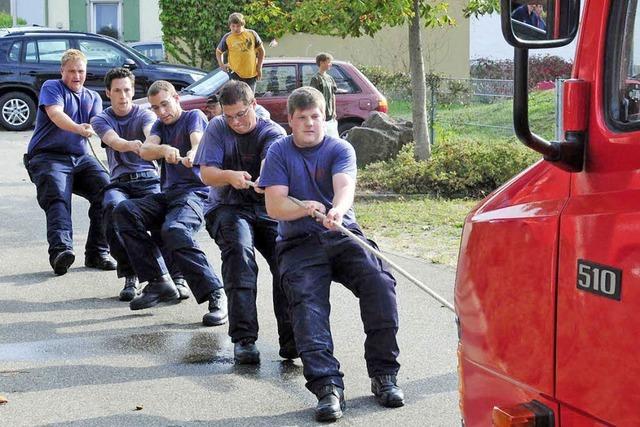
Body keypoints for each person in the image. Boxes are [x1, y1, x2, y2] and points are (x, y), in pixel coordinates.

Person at [260, 86, 404, 422]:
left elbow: (345, 187)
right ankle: (327, 387)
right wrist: (304, 208)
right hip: (298, 243)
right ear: (290, 121)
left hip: (342, 234)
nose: (310, 123)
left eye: (316, 117)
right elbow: (275, 205)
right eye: (302, 118)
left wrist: (337, 210)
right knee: (307, 304)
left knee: (380, 285)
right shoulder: (279, 152)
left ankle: (384, 376)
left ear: (325, 116)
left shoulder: (340, 148)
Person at [194, 80, 295, 364]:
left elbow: (270, 160)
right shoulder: (216, 127)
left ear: (254, 105)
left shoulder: (272, 131)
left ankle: (292, 340)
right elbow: (206, 174)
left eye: (241, 114)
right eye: (229, 116)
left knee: (286, 261)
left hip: (266, 209)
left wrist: (266, 177)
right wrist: (228, 176)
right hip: (226, 207)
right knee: (240, 254)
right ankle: (244, 339)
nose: (235, 122)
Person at [112, 80, 227, 326]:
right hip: (168, 195)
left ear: (176, 98)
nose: (161, 111)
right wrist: (165, 150)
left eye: (165, 104)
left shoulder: (192, 116)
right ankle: (158, 282)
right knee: (124, 210)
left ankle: (216, 293)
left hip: (196, 194)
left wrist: (193, 155)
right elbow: (145, 150)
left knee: (174, 230)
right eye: (155, 107)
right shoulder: (158, 126)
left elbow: (197, 143)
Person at [91, 68, 190, 301]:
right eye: (117, 91)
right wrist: (137, 146)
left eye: (127, 90)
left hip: (149, 179)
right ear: (108, 93)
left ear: (133, 91)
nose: (123, 95)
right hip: (119, 184)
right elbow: (113, 141)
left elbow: (151, 133)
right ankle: (131, 275)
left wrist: (150, 145)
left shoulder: (146, 115)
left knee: (165, 221)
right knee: (112, 209)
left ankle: (176, 277)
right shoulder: (101, 119)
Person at [25, 48, 116, 276]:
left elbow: (99, 125)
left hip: (80, 159)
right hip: (47, 157)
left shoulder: (93, 97)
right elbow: (56, 115)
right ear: (62, 71)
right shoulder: (52, 88)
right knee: (57, 194)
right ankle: (61, 251)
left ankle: (97, 253)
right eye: (72, 71)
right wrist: (78, 128)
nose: (77, 76)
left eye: (81, 71)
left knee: (109, 192)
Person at [215, 12, 265, 92]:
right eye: (233, 26)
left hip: (251, 73)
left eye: (238, 26)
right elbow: (218, 52)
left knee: (249, 99)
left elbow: (261, 51)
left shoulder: (252, 34)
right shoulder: (227, 37)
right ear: (229, 26)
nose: (235, 28)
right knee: (236, 99)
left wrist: (259, 67)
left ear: (243, 24)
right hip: (235, 74)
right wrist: (221, 64)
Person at [309, 52, 339, 138]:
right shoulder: (316, 79)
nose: (330, 64)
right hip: (321, 113)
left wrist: (334, 111)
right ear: (322, 63)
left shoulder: (330, 78)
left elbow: (333, 94)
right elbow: (314, 97)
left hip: (330, 113)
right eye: (328, 62)